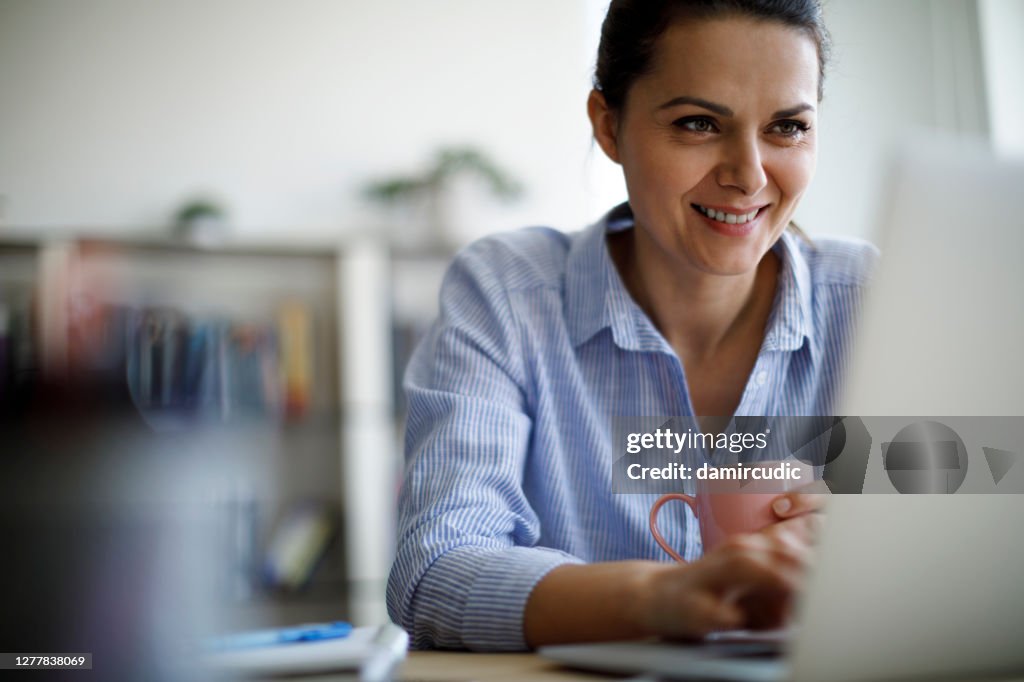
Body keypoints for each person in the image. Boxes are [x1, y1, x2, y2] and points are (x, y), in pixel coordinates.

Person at [387, 0, 876, 651]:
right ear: (609, 126)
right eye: (699, 123)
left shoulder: (872, 299)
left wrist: (883, 545)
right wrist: (658, 598)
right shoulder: (507, 291)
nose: (749, 175)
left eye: (787, 128)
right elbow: (435, 573)